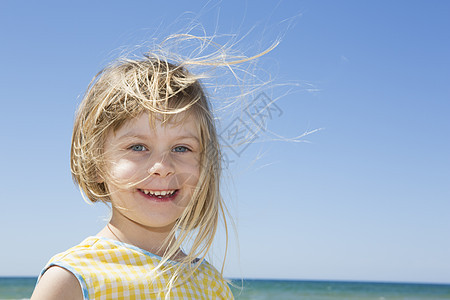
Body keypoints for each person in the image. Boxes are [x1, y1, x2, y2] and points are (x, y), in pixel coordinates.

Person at [30, 38, 236, 299]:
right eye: (138, 147)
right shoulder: (71, 280)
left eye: (182, 148)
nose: (163, 167)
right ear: (96, 165)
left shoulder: (211, 285)